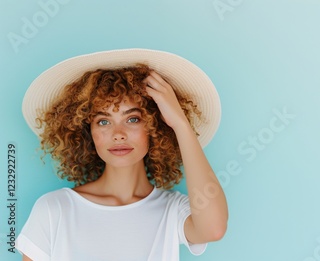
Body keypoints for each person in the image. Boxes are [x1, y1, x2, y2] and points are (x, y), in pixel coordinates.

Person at [16, 49, 228, 261]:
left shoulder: (172, 211)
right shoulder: (55, 209)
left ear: (156, 126)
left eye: (133, 119)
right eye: (104, 121)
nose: (118, 134)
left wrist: (180, 124)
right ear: (88, 131)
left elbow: (213, 229)